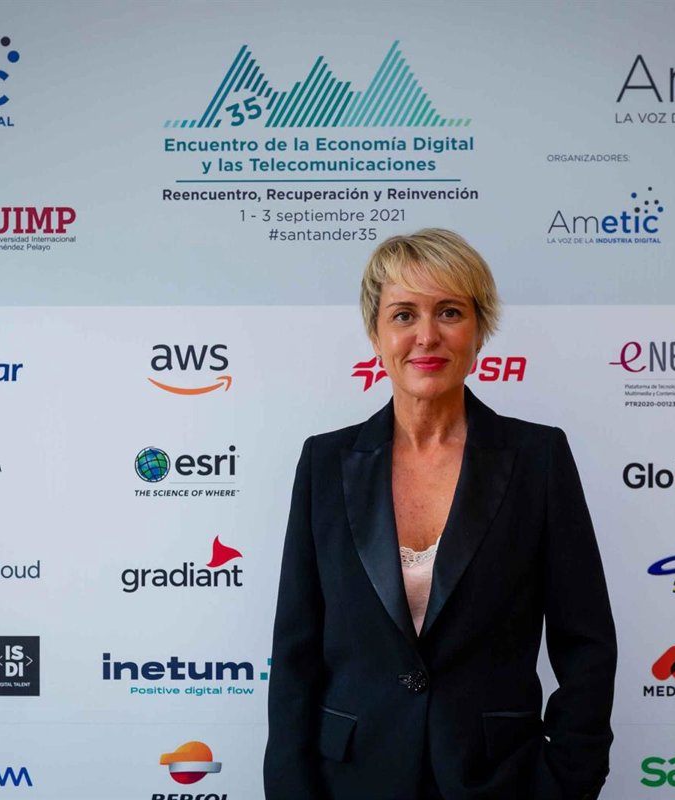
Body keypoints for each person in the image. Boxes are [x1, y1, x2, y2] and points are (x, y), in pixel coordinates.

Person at [264, 229, 616, 800]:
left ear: (479, 331)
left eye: (449, 312)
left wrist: (566, 780)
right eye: (404, 315)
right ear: (376, 335)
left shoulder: (538, 458)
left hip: (501, 782)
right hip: (349, 782)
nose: (427, 335)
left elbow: (587, 642)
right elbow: (295, 652)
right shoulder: (325, 463)